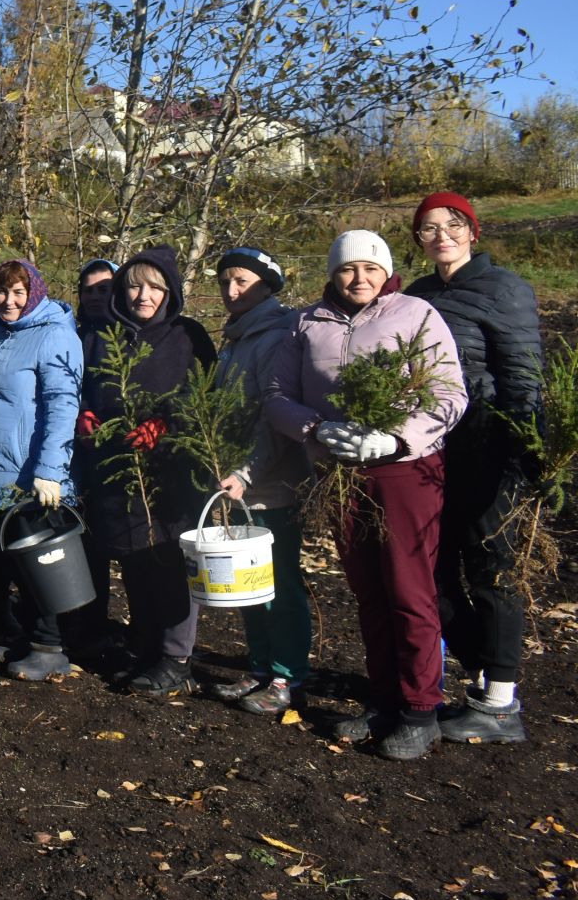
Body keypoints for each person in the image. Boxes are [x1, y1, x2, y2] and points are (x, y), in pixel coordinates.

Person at [263, 230, 465, 760]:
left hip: (405, 473)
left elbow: (448, 393)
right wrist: (313, 430)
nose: (360, 279)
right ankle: (382, 700)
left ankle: (421, 709)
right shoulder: (306, 323)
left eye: (370, 269)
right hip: (338, 474)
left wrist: (398, 438)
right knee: (367, 588)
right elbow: (278, 395)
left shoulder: (416, 314)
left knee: (409, 588)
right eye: (348, 269)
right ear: (333, 273)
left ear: (387, 272)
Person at [406, 192, 542, 744]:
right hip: (431, 449)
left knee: (491, 568)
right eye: (429, 228)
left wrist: (524, 452)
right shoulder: (417, 295)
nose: (441, 235)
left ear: (472, 232)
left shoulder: (503, 289)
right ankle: (484, 672)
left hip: (488, 444)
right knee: (431, 572)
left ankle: (501, 701)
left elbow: (523, 373)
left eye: (452, 225)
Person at [77, 246, 218, 696]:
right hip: (117, 468)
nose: (143, 295)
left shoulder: (187, 336)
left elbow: (205, 394)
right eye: (135, 285)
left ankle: (177, 657)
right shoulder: (100, 336)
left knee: (171, 560)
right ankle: (145, 646)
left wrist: (167, 422)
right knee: (135, 558)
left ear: (170, 292)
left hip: (172, 471)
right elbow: (80, 386)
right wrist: (83, 414)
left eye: (155, 287)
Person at [206, 246, 312, 716]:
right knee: (250, 582)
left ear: (267, 286)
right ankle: (259, 665)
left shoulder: (275, 337)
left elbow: (273, 418)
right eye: (226, 281)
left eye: (242, 281)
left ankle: (288, 676)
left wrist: (246, 473)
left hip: (271, 484)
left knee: (280, 584)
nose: (231, 291)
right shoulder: (238, 337)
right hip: (237, 483)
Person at [0, 259, 83, 681]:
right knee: (8, 563)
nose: (9, 300)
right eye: (1, 291)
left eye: (18, 292)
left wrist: (50, 469)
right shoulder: (0, 334)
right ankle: (21, 638)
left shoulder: (54, 336)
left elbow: (62, 405)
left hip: (31, 474)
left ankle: (49, 646)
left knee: (41, 563)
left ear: (34, 292)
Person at [75, 259, 117, 336]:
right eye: (88, 290)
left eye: (103, 290)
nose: (94, 297)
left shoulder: (132, 338)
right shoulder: (73, 337)